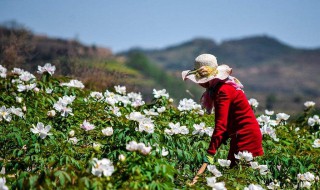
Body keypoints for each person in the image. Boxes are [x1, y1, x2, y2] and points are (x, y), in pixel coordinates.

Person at [181, 54, 263, 185]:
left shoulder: (223, 91)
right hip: (238, 135)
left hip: (246, 136)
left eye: (201, 81)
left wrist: (209, 154)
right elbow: (228, 123)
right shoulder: (221, 87)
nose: (200, 85)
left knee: (239, 178)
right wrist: (219, 142)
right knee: (233, 174)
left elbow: (220, 126)